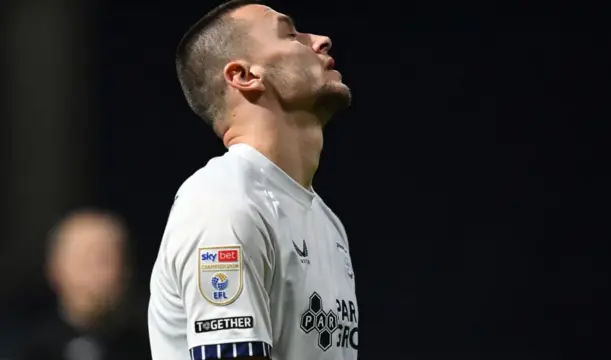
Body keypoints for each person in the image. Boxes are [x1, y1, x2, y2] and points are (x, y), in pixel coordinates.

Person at [147, 1, 358, 360]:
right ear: (244, 76)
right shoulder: (223, 202)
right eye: (290, 35)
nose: (321, 40)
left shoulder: (326, 222)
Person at [17, 209, 151, 360]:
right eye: (83, 260)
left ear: (126, 270)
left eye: (104, 260)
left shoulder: (155, 344)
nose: (94, 273)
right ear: (54, 269)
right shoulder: (25, 349)